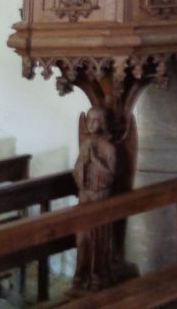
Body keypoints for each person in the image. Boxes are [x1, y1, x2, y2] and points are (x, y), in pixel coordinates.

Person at [73, 107, 117, 290]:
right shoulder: (85, 144)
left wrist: (96, 160)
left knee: (98, 238)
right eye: (89, 119)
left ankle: (97, 275)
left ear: (103, 123)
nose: (91, 124)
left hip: (100, 197)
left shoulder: (109, 148)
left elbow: (111, 176)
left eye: (96, 120)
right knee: (83, 238)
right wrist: (83, 163)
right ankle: (81, 275)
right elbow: (76, 173)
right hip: (86, 196)